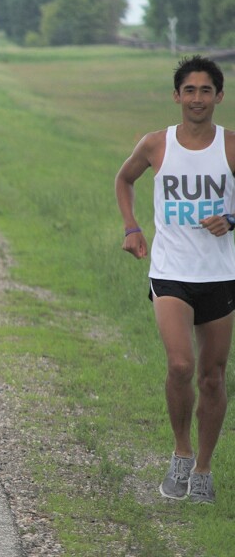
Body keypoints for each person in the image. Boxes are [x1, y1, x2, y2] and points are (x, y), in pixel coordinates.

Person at [115, 55, 234, 504]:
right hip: (170, 272)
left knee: (213, 376)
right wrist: (131, 226)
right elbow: (124, 180)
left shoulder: (230, 146)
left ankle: (204, 467)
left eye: (206, 91)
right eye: (190, 90)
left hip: (220, 275)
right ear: (177, 95)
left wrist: (231, 219)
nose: (198, 98)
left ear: (219, 97)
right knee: (181, 365)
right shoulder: (156, 144)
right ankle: (181, 452)